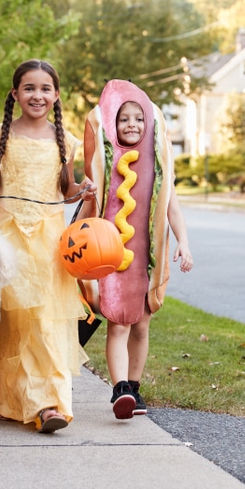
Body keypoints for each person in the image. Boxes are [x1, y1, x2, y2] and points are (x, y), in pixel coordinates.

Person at [0, 59, 97, 433]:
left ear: (56, 95)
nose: (37, 95)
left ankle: (50, 404)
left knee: (46, 322)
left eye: (45, 89)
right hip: (8, 240)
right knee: (14, 322)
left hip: (50, 244)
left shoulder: (64, 141)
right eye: (29, 88)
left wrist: (82, 190)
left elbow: (65, 189)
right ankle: (15, 401)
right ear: (15, 94)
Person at [82, 80, 193, 420]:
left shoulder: (158, 168)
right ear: (112, 125)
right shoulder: (105, 165)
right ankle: (119, 390)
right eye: (123, 119)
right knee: (118, 323)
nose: (132, 125)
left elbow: (172, 208)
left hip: (148, 260)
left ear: (150, 125)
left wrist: (184, 244)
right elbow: (87, 211)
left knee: (142, 324)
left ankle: (134, 385)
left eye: (139, 119)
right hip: (111, 256)